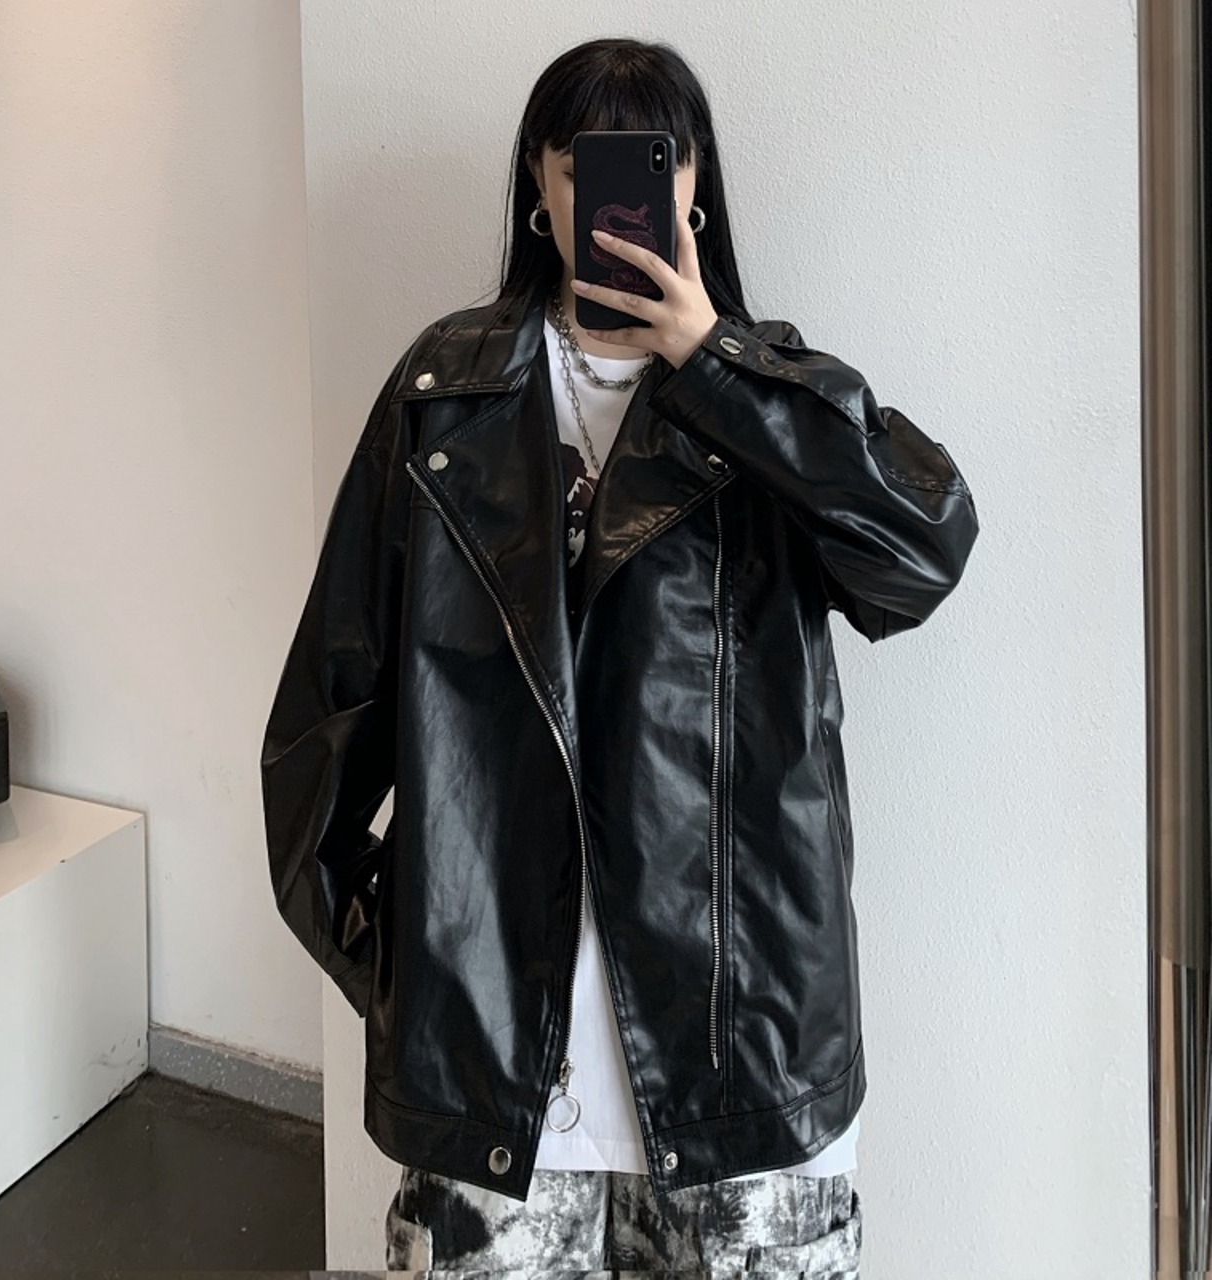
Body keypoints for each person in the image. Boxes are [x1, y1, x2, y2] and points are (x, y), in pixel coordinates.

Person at [260, 35, 979, 1277]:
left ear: (691, 188)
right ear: (540, 191)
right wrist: (405, 972)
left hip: (746, 1062)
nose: (610, 190)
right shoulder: (444, 398)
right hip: (490, 1071)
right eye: (575, 158)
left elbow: (920, 554)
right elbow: (324, 713)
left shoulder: (774, 401)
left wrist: (717, 363)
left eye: (651, 157)